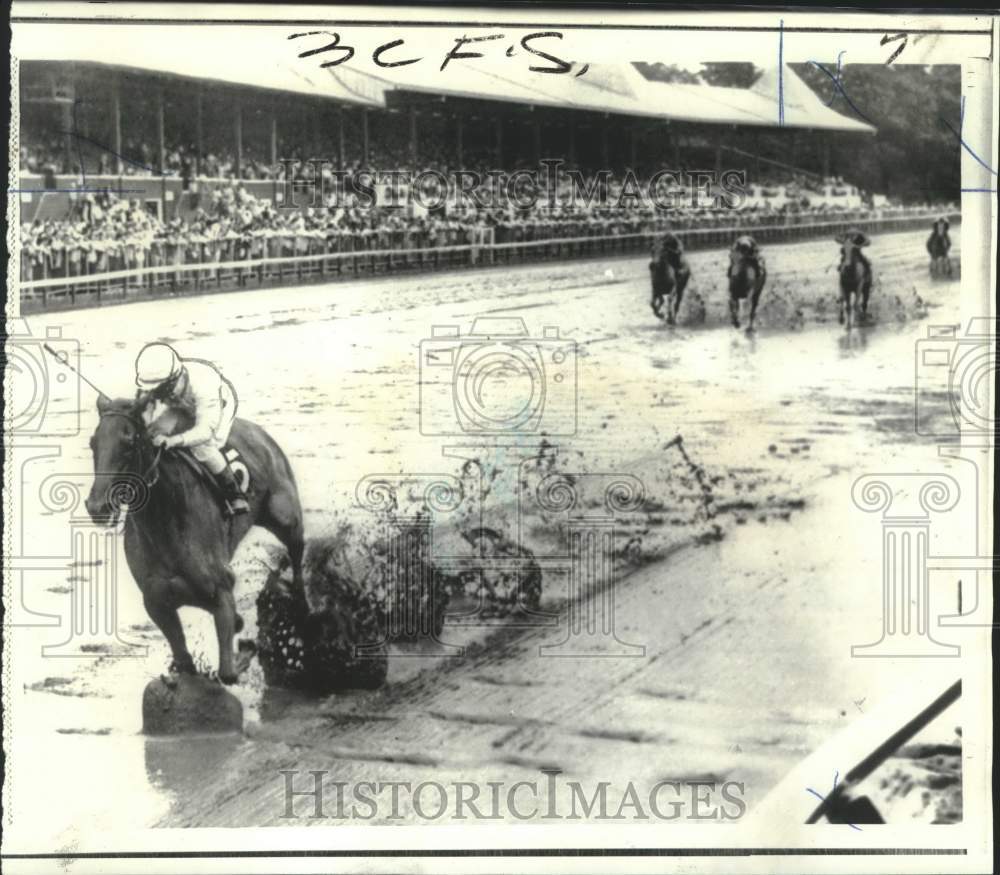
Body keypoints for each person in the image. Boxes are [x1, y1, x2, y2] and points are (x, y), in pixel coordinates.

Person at [134, 342, 249, 516]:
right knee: (153, 433)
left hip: (219, 405)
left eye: (159, 389)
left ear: (175, 378)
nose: (155, 393)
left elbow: (205, 431)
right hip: (180, 404)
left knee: (203, 447)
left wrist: (173, 440)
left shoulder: (205, 385)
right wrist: (147, 427)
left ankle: (234, 495)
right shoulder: (157, 379)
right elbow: (146, 406)